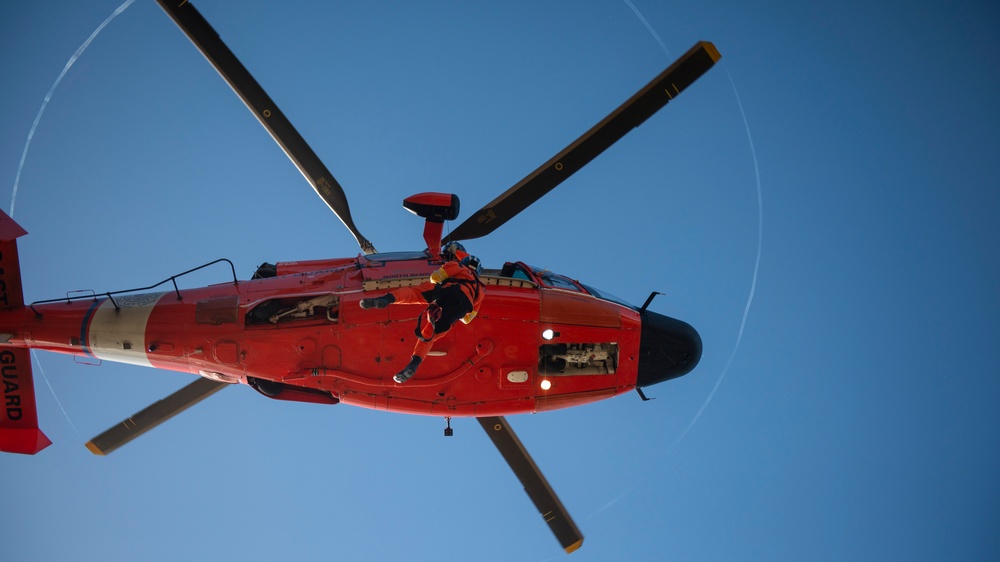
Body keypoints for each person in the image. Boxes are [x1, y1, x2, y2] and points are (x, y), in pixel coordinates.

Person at [360, 248, 485, 384]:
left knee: (416, 293)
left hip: (450, 291)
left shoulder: (458, 266)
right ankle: (413, 365)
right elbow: (467, 319)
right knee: (428, 336)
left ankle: (386, 299)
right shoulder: (481, 290)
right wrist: (449, 311)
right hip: (460, 309)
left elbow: (435, 278)